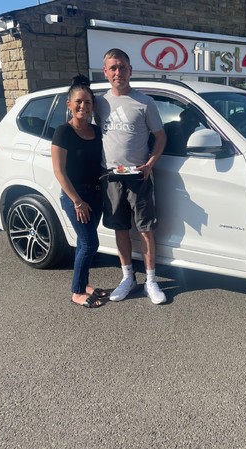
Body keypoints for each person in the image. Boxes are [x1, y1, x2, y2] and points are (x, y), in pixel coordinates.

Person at [94, 48, 168, 304]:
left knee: (146, 230)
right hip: (111, 177)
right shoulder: (99, 103)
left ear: (130, 70)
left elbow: (160, 137)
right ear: (105, 72)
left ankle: (151, 281)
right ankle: (127, 278)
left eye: (122, 67)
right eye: (113, 68)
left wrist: (150, 163)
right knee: (120, 229)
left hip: (139, 177)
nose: (118, 72)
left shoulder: (145, 102)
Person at [51, 75, 107, 308]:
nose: (83, 106)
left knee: (84, 244)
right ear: (69, 105)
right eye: (78, 102)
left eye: (87, 102)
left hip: (96, 195)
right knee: (90, 243)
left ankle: (83, 284)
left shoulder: (96, 131)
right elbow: (59, 172)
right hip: (77, 197)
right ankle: (76, 292)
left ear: (93, 106)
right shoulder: (63, 132)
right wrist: (77, 201)